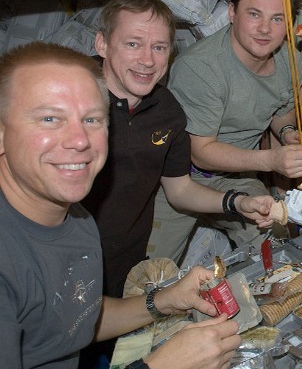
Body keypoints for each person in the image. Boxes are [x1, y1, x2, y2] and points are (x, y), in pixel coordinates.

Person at [0, 41, 241, 368]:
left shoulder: (78, 220)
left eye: (91, 120)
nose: (80, 140)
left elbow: (74, 318)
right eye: (49, 118)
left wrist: (164, 301)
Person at [80, 0, 281, 301]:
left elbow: (180, 190)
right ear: (102, 44)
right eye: (133, 44)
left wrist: (237, 202)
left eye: (159, 47)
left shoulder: (167, 112)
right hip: (72, 259)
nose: (147, 60)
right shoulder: (71, 100)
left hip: (126, 261)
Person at [148, 0, 302, 264]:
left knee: (281, 255)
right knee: (150, 281)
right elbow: (201, 152)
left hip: (237, 178)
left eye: (278, 19)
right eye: (254, 14)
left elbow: (280, 111)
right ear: (233, 13)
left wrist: (289, 135)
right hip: (180, 181)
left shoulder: (291, 59)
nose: (265, 29)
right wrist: (272, 160)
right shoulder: (201, 68)